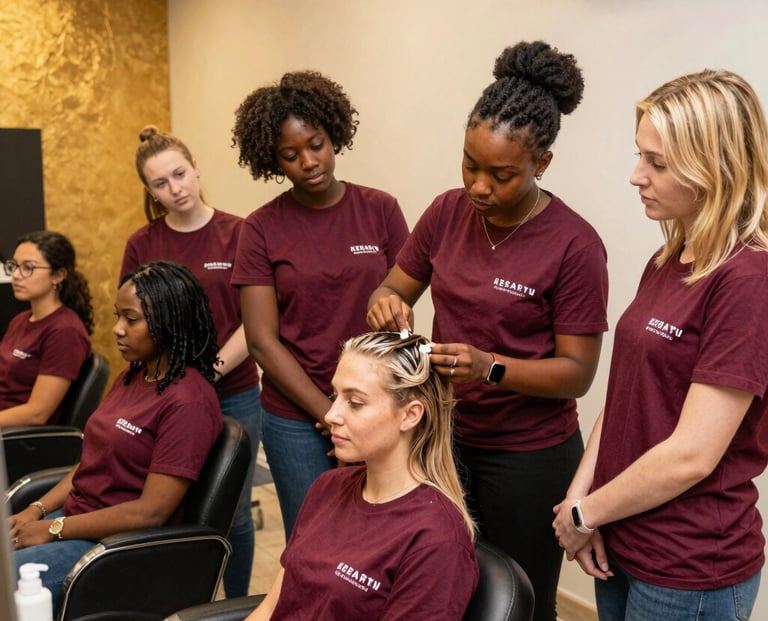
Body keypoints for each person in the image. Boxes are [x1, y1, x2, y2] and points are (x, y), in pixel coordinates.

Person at [367, 41, 608, 621]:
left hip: (528, 458)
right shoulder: (447, 212)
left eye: (501, 175)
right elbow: (391, 288)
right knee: (444, 586)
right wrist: (386, 305)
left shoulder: (574, 245)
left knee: (521, 600)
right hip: (443, 439)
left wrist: (489, 367)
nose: (479, 187)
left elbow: (577, 374)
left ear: (541, 164)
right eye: (470, 166)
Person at [552, 70, 768, 621]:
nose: (635, 176)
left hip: (690, 569)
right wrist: (581, 501)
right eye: (639, 154)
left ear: (715, 168)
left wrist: (585, 515)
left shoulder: (748, 278)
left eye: (658, 163)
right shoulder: (668, 260)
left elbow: (692, 455)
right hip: (622, 537)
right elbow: (627, 398)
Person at [231, 70, 410, 539]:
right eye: (291, 155)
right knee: (315, 540)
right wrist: (331, 411)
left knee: (379, 539)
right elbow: (262, 343)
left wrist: (361, 407)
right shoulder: (261, 228)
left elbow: (401, 301)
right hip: (296, 417)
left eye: (317, 144)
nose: (309, 161)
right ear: (273, 162)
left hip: (377, 408)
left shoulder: (381, 210)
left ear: (335, 137)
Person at [8, 261, 223, 613]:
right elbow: (90, 463)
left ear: (170, 321)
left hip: (113, 547)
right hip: (76, 520)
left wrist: (53, 529)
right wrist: (36, 510)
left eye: (131, 319)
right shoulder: (133, 375)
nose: (117, 329)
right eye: (117, 316)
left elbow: (151, 513)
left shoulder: (189, 402)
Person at [246, 331, 478, 620]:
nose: (331, 414)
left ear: (410, 415)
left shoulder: (437, 541)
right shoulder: (327, 486)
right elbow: (270, 609)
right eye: (335, 396)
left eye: (354, 402)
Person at [123, 126, 262, 597]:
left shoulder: (240, 233)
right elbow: (135, 322)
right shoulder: (143, 245)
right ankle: (185, 597)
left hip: (235, 393)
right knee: (168, 503)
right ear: (149, 190)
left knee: (235, 509)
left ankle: (237, 603)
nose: (175, 189)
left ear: (196, 166)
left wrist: (210, 372)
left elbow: (257, 321)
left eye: (180, 174)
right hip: (165, 398)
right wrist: (181, 381)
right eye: (160, 184)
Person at [0, 230, 93, 427]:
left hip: (18, 440)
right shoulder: (19, 320)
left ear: (58, 276)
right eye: (14, 266)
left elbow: (37, 414)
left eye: (28, 268)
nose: (16, 275)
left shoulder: (65, 332)